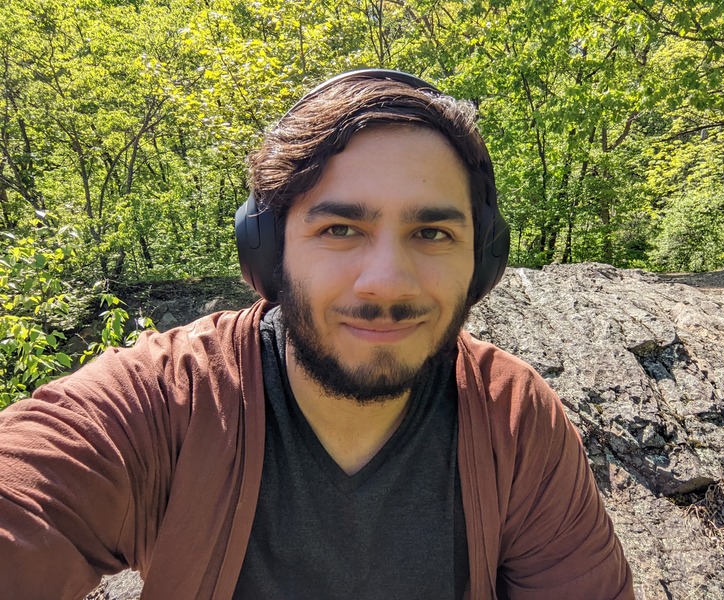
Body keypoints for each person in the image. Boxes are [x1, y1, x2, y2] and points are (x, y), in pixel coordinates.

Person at [0, 70, 634, 599]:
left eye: (432, 233)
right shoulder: (167, 401)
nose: (387, 282)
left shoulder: (513, 418)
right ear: (268, 253)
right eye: (340, 230)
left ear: (482, 261)